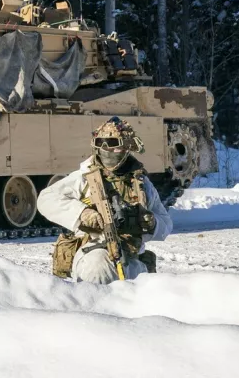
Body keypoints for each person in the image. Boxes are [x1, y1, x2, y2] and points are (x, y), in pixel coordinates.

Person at [37, 117, 172, 284]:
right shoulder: (84, 178)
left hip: (132, 256)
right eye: (102, 143)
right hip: (93, 251)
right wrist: (82, 213)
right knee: (98, 267)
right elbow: (46, 199)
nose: (106, 149)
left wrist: (152, 223)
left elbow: (166, 223)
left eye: (114, 144)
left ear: (126, 147)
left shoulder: (141, 183)